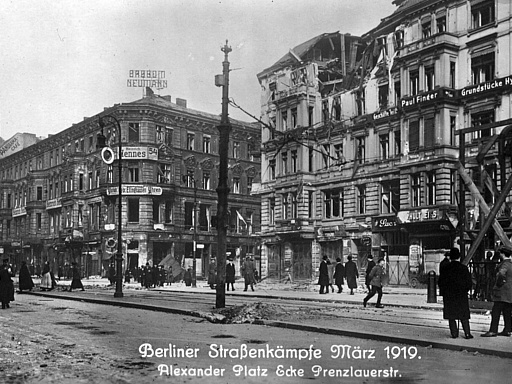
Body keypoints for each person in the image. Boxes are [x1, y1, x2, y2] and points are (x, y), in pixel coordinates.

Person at [438, 248, 473, 339]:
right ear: (459, 257)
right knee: (463, 314)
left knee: (451, 315)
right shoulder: (464, 268)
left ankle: (454, 333)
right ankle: (467, 333)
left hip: (449, 295)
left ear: (450, 257)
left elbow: (440, 282)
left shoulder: (445, 268)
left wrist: (445, 291)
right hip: (461, 295)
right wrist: (465, 290)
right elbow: (469, 283)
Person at [481, 247, 512, 337]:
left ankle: (493, 330)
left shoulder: (504, 264)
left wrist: (499, 284)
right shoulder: (511, 264)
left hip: (501, 292)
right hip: (509, 293)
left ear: (502, 254)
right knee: (507, 311)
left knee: (495, 312)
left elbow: (501, 274)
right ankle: (507, 330)